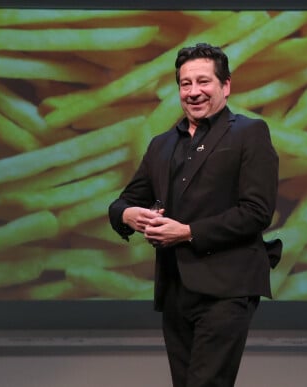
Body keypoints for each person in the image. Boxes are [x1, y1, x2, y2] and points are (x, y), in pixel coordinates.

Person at [109, 42, 280, 387]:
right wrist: (128, 216)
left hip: (226, 287)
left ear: (225, 86)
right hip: (175, 288)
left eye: (203, 82)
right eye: (186, 84)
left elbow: (256, 212)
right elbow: (124, 201)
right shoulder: (161, 144)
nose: (194, 91)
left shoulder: (249, 133)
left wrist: (187, 232)